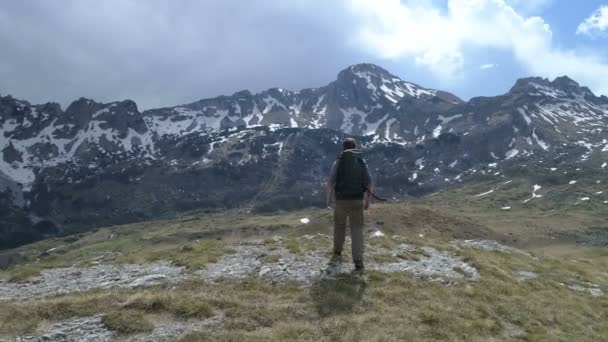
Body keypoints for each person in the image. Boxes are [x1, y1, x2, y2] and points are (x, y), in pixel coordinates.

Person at [326, 138, 373, 271]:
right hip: (357, 200)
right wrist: (368, 201)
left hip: (340, 200)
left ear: (343, 148)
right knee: (357, 230)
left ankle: (337, 251)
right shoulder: (361, 161)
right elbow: (369, 183)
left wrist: (328, 199)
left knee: (339, 226)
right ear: (355, 147)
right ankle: (358, 261)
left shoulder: (338, 161)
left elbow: (330, 182)